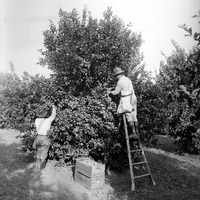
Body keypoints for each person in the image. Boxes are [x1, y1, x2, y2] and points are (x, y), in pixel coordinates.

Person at [108, 67, 138, 139]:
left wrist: (110, 92)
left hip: (127, 99)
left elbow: (116, 92)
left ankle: (134, 133)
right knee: (134, 115)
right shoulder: (128, 79)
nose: (116, 77)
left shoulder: (120, 82)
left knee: (128, 115)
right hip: (133, 97)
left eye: (116, 76)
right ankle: (137, 132)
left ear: (118, 75)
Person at [32, 104, 57, 170]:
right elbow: (53, 116)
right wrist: (54, 108)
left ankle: (37, 167)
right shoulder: (47, 120)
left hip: (37, 138)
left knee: (38, 152)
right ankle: (41, 168)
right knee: (44, 153)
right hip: (44, 138)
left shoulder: (36, 120)